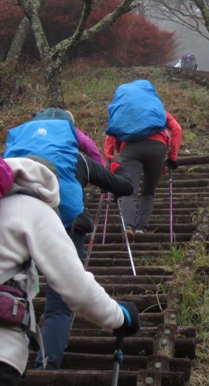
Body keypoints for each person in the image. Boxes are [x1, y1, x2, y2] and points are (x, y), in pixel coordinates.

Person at [0, 156, 139, 385]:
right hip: (3, 352)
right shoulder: (32, 208)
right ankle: (46, 366)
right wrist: (120, 316)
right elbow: (76, 288)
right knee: (59, 311)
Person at [34, 150, 134, 370]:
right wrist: (117, 166)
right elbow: (126, 187)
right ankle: (45, 370)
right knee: (59, 308)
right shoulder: (76, 158)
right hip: (66, 229)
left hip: (11, 231)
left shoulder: (11, 157)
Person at [104, 104, 182, 240]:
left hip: (130, 147)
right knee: (148, 191)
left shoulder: (124, 111)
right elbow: (177, 129)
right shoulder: (158, 110)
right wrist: (173, 157)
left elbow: (110, 135)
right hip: (157, 147)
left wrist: (110, 159)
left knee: (129, 189)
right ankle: (140, 228)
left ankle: (128, 226)